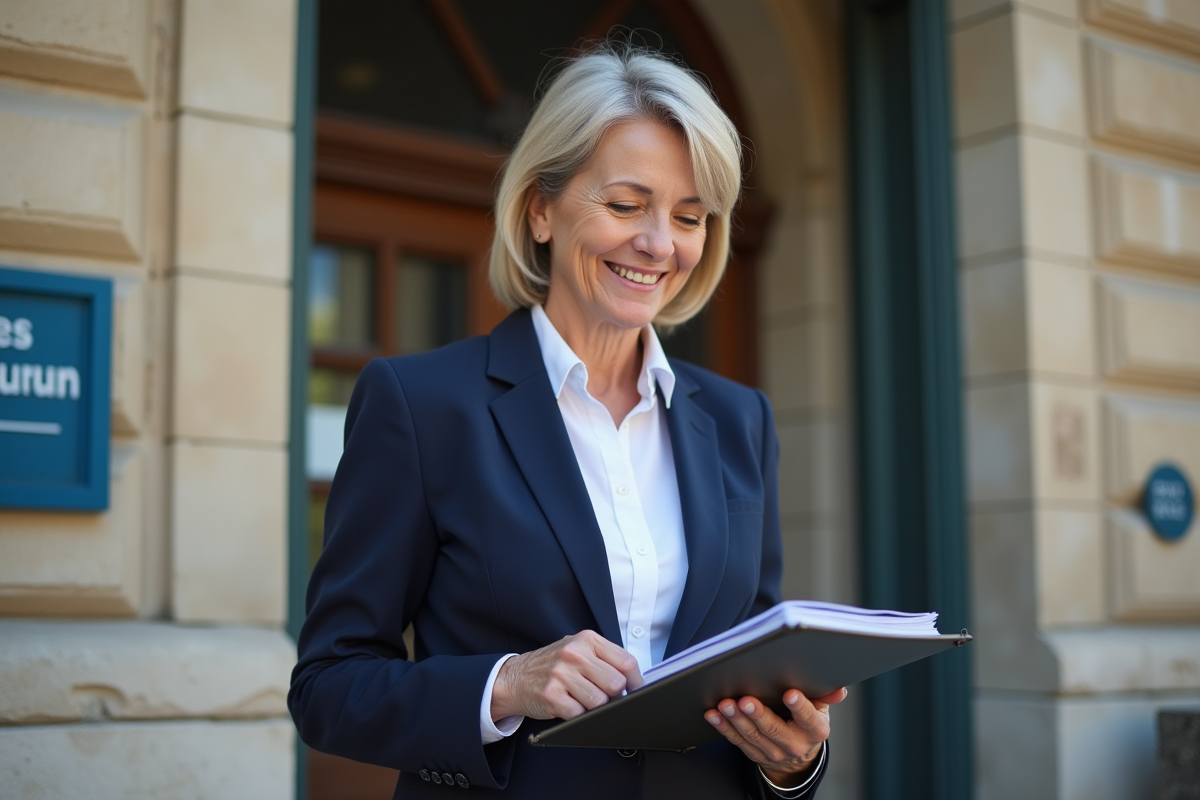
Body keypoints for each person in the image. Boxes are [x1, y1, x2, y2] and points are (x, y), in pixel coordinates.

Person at [289, 43, 845, 799]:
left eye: (689, 216)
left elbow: (746, 670)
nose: (659, 244)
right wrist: (506, 685)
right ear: (540, 208)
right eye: (625, 205)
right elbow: (328, 688)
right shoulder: (420, 405)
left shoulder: (741, 420)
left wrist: (790, 762)